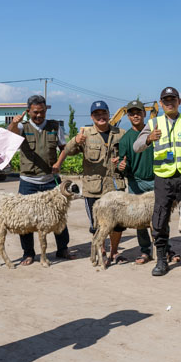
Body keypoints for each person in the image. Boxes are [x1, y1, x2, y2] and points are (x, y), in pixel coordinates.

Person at [133, 86, 181, 276]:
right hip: (163, 178)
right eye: (166, 100)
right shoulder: (154, 123)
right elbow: (136, 147)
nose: (169, 103)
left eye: (173, 100)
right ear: (161, 103)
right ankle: (162, 260)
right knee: (160, 218)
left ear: (179, 101)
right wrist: (149, 138)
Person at [6, 94, 75, 265]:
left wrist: (58, 163)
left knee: (58, 216)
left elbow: (64, 148)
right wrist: (14, 123)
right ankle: (28, 253)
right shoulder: (22, 127)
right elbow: (10, 136)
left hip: (50, 181)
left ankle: (63, 249)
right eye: (35, 112)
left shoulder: (55, 126)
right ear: (28, 111)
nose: (39, 115)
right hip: (28, 182)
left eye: (42, 112)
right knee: (25, 219)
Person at [54, 100, 126, 264]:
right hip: (93, 188)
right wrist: (75, 140)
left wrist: (124, 161)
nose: (101, 117)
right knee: (97, 224)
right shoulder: (85, 134)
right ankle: (102, 251)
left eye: (103, 113)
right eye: (97, 114)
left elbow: (129, 153)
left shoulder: (120, 133)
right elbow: (67, 151)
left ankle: (114, 252)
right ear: (92, 117)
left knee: (118, 223)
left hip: (115, 186)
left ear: (108, 114)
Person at [117, 99, 155, 265]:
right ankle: (145, 251)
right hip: (135, 182)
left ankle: (165, 249)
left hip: (155, 181)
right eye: (132, 113)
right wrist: (121, 166)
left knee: (160, 218)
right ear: (128, 116)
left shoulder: (153, 133)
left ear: (144, 114)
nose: (135, 116)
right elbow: (121, 162)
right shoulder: (126, 139)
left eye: (138, 112)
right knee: (139, 220)